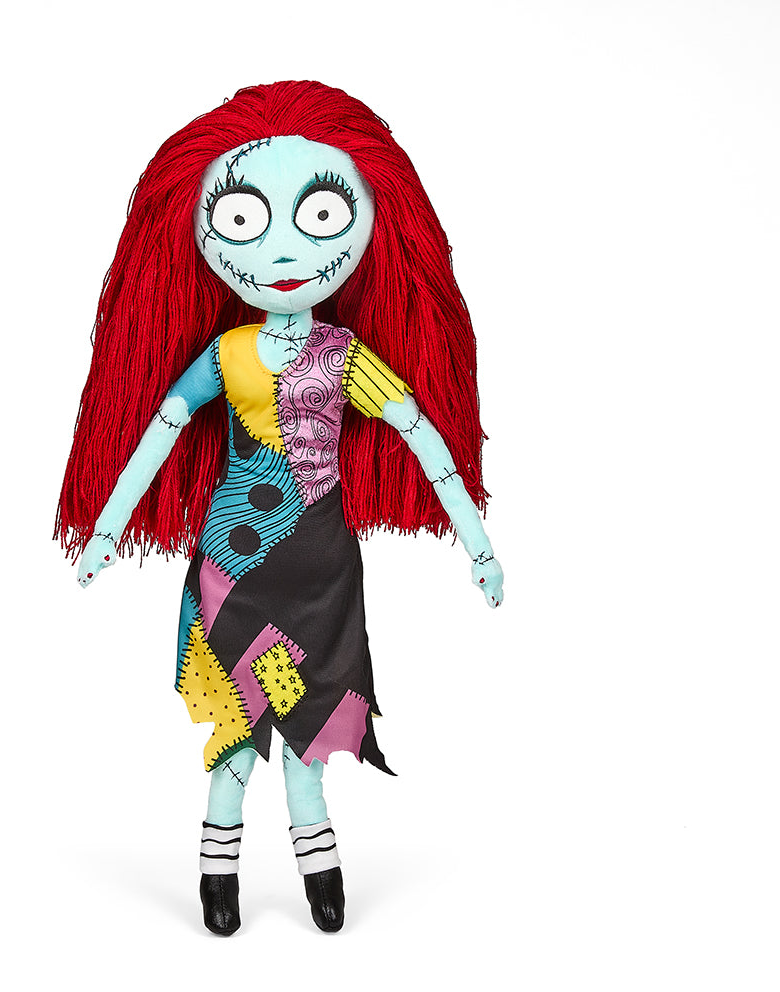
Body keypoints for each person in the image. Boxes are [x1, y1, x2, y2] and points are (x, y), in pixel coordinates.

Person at [56, 81, 504, 935]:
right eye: (243, 220)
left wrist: (476, 541)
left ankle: (319, 874)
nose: (286, 248)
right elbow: (158, 431)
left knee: (310, 738)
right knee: (233, 737)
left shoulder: (345, 357)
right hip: (235, 567)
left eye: (322, 216)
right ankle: (218, 879)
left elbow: (422, 434)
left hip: (322, 575)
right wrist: (107, 526)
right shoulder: (226, 356)